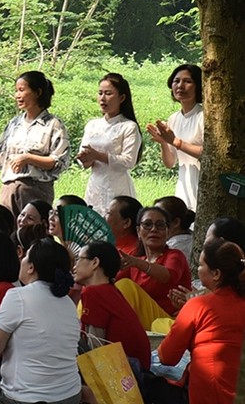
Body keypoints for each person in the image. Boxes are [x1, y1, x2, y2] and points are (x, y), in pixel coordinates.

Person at [0, 238, 81, 404]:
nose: (21, 259)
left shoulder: (18, 296)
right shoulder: (67, 302)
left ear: (31, 267)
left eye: (25, 257)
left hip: (25, 398)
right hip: (70, 395)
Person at [0, 70, 70, 212]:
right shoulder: (14, 124)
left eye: (21, 90)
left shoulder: (54, 124)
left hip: (36, 191)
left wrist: (28, 158)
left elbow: (59, 162)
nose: (17, 96)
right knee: (6, 231)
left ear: (38, 92)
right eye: (16, 91)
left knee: (32, 232)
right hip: (9, 189)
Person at [157, 238, 245, 401]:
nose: (197, 270)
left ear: (216, 274)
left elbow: (166, 357)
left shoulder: (198, 305)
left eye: (200, 265)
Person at [72, 241, 150, 371]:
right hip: (137, 369)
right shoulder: (110, 290)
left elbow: (95, 348)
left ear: (95, 263)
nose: (74, 266)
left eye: (79, 259)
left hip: (124, 374)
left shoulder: (93, 292)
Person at [115, 205, 191, 328]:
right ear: (138, 231)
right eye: (148, 224)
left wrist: (138, 263)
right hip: (144, 321)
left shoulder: (175, 255)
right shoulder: (135, 261)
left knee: (126, 286)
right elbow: (113, 283)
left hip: (167, 322)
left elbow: (168, 276)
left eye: (160, 225)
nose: (154, 229)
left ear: (168, 231)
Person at [76, 73, 142, 214]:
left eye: (108, 93)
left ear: (122, 98)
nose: (102, 98)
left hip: (117, 186)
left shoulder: (128, 126)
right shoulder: (92, 125)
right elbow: (84, 161)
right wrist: (85, 160)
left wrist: (98, 155)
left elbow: (128, 161)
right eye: (100, 93)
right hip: (95, 185)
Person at [145, 63, 203, 212]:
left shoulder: (204, 116)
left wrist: (176, 142)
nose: (180, 86)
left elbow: (208, 153)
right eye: (176, 81)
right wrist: (164, 143)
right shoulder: (174, 119)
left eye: (188, 81)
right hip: (184, 187)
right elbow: (170, 162)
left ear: (199, 86)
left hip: (204, 186)